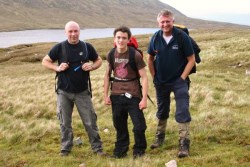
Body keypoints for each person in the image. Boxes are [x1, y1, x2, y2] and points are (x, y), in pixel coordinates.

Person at [42, 21, 106, 157]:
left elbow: (98, 60)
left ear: (79, 31)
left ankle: (97, 148)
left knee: (90, 121)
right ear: (66, 33)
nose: (73, 34)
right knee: (64, 122)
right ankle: (65, 148)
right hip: (63, 92)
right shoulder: (59, 47)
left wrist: (92, 67)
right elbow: (45, 61)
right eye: (70, 31)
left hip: (82, 91)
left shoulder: (87, 46)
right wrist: (57, 68)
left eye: (75, 31)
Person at [147, 9, 195, 158]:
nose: (165, 24)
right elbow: (149, 59)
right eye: (162, 22)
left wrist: (182, 78)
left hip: (179, 81)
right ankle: (159, 138)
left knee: (182, 111)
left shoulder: (182, 37)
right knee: (162, 110)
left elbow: (191, 59)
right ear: (158, 23)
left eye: (168, 21)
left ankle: (183, 144)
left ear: (173, 21)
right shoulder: (155, 37)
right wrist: (155, 76)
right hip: (161, 81)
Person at [104, 26, 148, 159]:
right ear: (114, 38)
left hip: (133, 95)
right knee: (119, 125)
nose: (121, 40)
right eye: (118, 37)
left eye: (124, 38)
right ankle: (120, 151)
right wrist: (105, 95)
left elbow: (144, 77)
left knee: (139, 125)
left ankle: (139, 151)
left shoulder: (135, 55)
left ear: (128, 39)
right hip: (116, 95)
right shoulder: (111, 54)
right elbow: (107, 75)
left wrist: (144, 98)